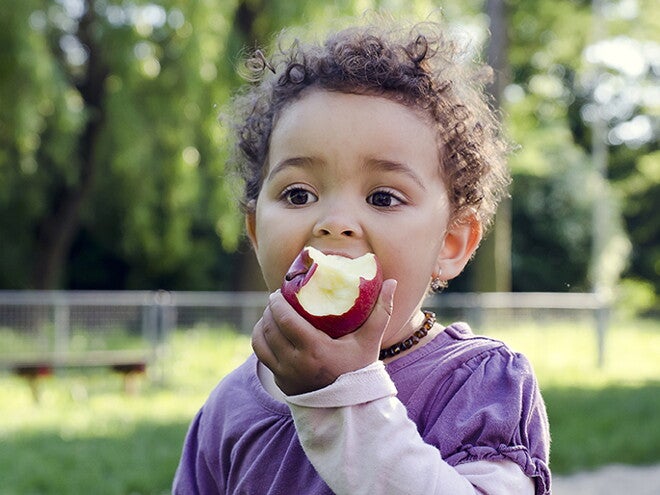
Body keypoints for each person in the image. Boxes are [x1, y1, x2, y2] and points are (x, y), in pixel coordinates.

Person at [173, 14, 551, 495]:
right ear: (254, 229)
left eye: (383, 198)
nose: (335, 221)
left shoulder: (480, 386)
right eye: (297, 194)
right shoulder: (229, 408)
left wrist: (344, 395)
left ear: (451, 244)